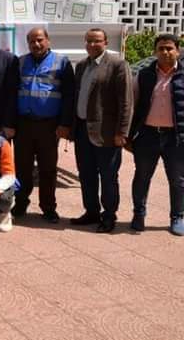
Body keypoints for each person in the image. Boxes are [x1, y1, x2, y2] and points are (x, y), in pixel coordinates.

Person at [72, 28, 132, 233]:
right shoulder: (82, 66)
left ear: (106, 42)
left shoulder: (117, 65)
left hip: (107, 133)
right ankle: (91, 212)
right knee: (86, 174)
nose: (92, 44)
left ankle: (109, 216)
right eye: (88, 41)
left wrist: (122, 132)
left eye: (97, 41)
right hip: (82, 130)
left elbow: (126, 102)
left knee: (108, 177)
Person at [13, 28, 75, 223]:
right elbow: (12, 93)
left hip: (49, 126)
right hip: (23, 124)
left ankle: (48, 207)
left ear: (48, 40)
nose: (36, 44)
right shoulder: (20, 62)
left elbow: (69, 96)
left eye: (40, 40)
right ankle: (20, 203)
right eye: (32, 41)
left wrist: (65, 124)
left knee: (47, 169)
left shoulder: (62, 62)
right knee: (22, 167)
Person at [128, 33, 184, 236]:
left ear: (177, 50)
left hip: (175, 138)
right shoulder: (144, 75)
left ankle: (177, 217)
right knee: (142, 177)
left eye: (169, 48)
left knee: (177, 180)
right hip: (148, 135)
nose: (165, 52)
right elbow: (133, 105)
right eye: (161, 48)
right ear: (155, 51)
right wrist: (128, 135)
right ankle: (139, 214)